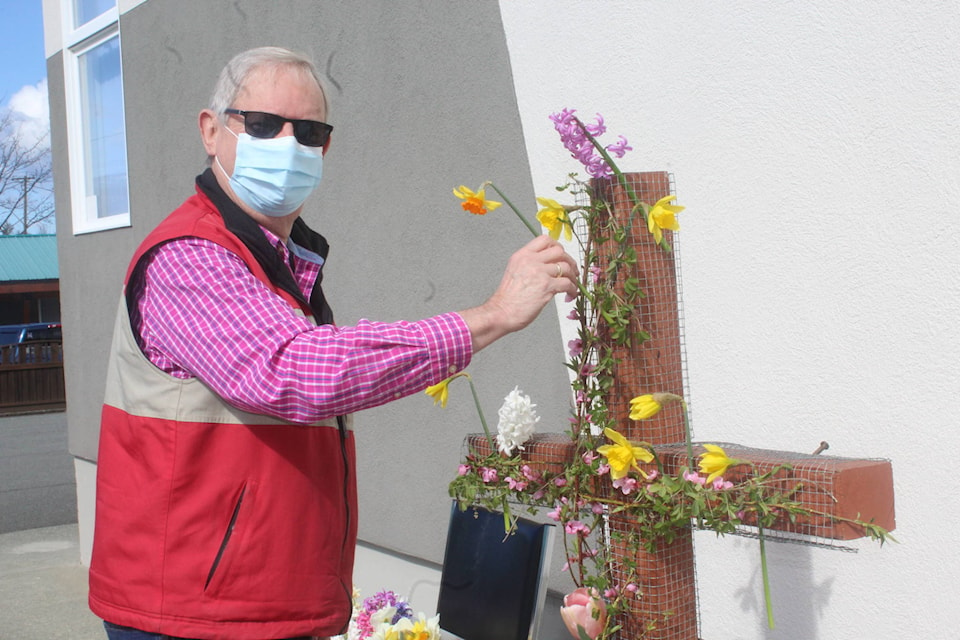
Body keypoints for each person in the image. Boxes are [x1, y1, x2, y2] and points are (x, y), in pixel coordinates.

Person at [88, 46, 578, 640]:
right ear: (211, 131)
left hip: (265, 606)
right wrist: (492, 316)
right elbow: (287, 371)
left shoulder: (278, 262)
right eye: (264, 125)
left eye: (310, 132)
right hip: (195, 617)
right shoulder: (190, 255)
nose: (289, 146)